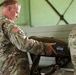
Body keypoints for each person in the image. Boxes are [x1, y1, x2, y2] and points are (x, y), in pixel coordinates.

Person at [0, 0, 56, 75]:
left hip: (3, 69)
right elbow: (24, 44)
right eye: (16, 12)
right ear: (9, 9)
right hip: (14, 70)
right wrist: (45, 47)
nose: (17, 16)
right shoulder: (8, 25)